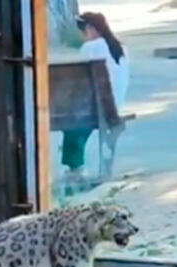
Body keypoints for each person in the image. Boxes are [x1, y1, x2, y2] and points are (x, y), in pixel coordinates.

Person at [62, 12, 129, 182]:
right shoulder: (121, 49)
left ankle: (75, 168)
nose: (83, 37)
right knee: (76, 120)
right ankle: (77, 167)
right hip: (113, 105)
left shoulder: (92, 48)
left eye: (83, 32)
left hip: (96, 107)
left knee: (71, 121)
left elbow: (80, 83)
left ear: (91, 29)